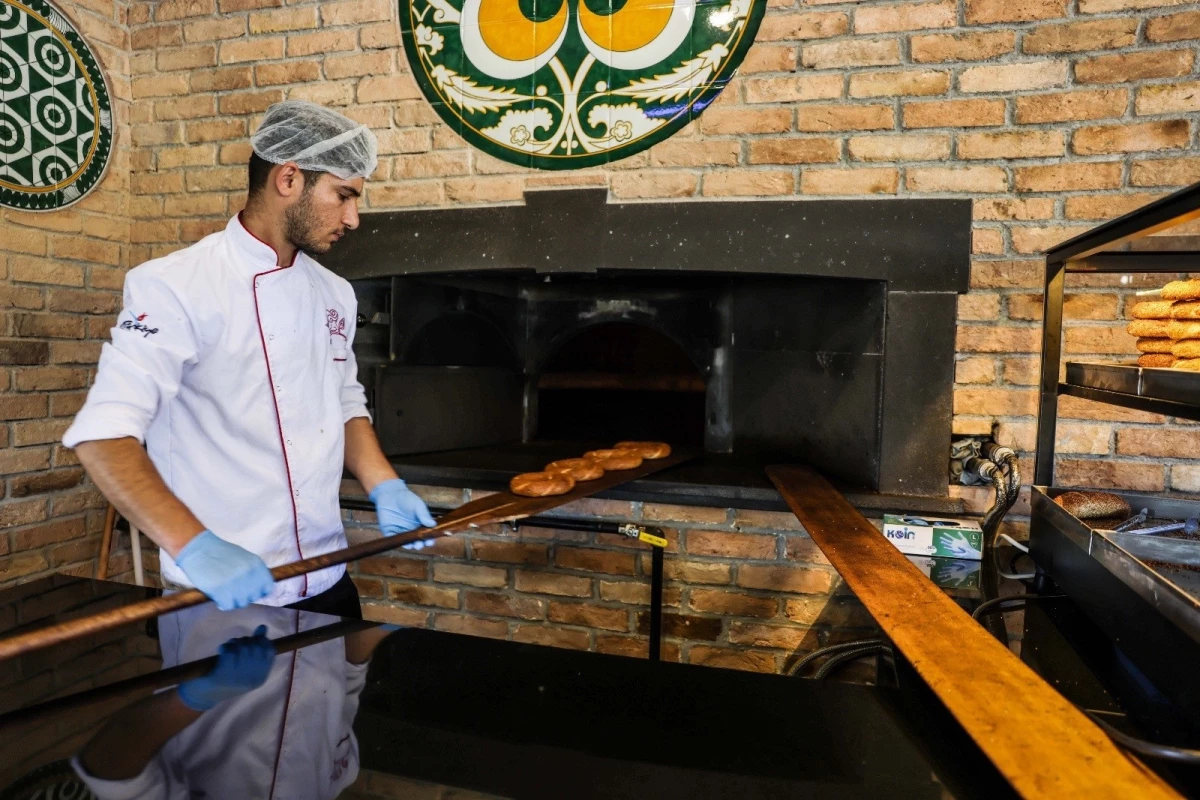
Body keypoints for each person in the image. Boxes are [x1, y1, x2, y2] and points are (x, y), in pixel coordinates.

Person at [63, 100, 436, 619]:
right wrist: (193, 545)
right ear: (288, 179)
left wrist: (385, 484)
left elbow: (345, 400)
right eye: (344, 195)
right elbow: (103, 435)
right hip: (220, 596)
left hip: (329, 585)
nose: (353, 218)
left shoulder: (335, 294)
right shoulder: (174, 285)